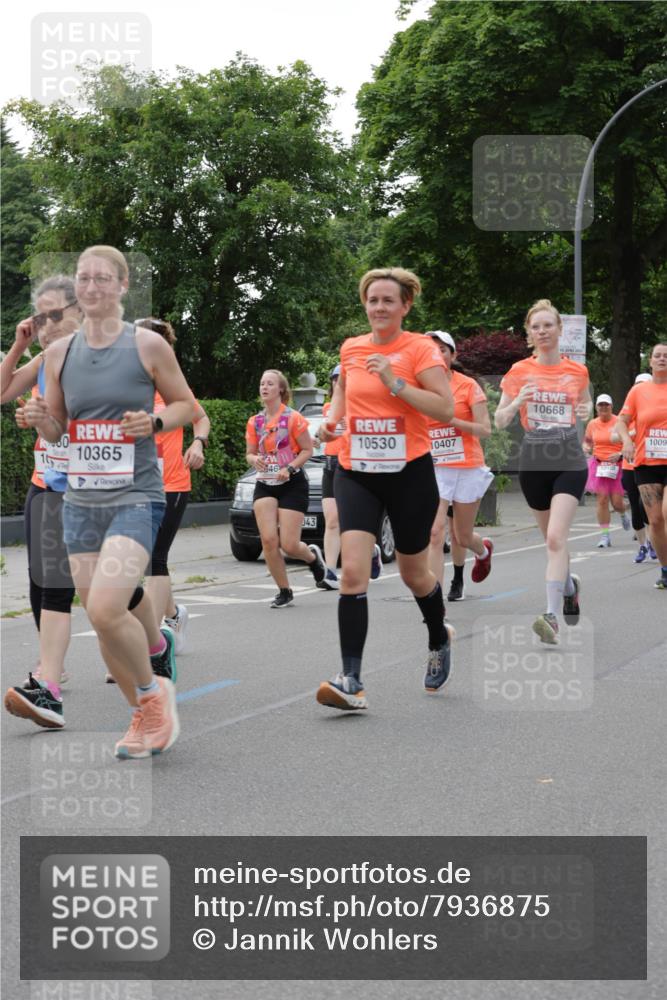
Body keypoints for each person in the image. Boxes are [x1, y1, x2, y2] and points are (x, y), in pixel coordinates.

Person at [5, 246, 195, 757]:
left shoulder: (148, 344)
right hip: (81, 499)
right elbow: (60, 427)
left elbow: (186, 406)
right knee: (100, 613)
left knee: (109, 606)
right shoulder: (61, 354)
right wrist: (39, 418)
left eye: (102, 279)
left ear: (123, 285)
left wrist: (153, 423)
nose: (91, 287)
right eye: (84, 279)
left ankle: (154, 699)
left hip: (135, 494)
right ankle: (144, 708)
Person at [316, 267, 454, 710]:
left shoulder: (420, 349)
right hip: (356, 471)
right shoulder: (352, 348)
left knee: (415, 574)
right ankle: (350, 680)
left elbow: (445, 408)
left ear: (405, 306)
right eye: (372, 300)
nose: (379, 307)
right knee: (353, 573)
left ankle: (438, 636)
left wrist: (396, 383)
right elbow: (343, 396)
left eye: (387, 301)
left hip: (409, 473)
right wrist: (332, 423)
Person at [0, 276, 81, 693]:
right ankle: (50, 669)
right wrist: (18, 345)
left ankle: (155, 639)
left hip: (86, 489)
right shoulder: (45, 358)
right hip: (46, 483)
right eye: (40, 316)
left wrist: (45, 418)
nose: (46, 324)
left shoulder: (94, 361)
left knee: (103, 589)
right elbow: (1, 392)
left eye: (55, 314)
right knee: (42, 579)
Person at [495, 299, 592, 645]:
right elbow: (500, 419)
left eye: (548, 325)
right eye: (536, 327)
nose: (542, 331)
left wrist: (586, 409)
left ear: (559, 329)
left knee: (555, 539)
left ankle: (551, 617)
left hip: (568, 457)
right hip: (534, 460)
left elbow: (585, 406)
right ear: (529, 334)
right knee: (550, 541)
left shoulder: (577, 371)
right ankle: (569, 587)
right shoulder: (519, 371)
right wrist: (518, 401)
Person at [138, 317, 211, 653]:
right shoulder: (126, 387)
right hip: (135, 487)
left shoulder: (172, 387)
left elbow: (201, 416)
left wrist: (197, 443)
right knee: (144, 561)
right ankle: (174, 614)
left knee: (156, 558)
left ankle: (148, 643)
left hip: (171, 483)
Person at [245, 369, 326, 607]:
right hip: (265, 483)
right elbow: (249, 453)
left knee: (289, 545)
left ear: (281, 389)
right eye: (262, 383)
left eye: (270, 383)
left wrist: (289, 468)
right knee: (269, 540)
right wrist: (254, 461)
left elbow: (307, 450)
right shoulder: (255, 421)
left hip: (292, 483)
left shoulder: (293, 418)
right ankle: (284, 590)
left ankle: (312, 559)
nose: (265, 387)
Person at [425, 331, 494, 601]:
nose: (436, 354)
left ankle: (483, 550)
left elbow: (485, 429)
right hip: (435, 467)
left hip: (466, 465)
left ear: (453, 355)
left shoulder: (468, 386)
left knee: (462, 536)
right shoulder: (420, 387)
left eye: (442, 349)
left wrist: (453, 420)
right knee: (434, 532)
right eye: (431, 350)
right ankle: (434, 600)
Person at [314, 364, 382, 590]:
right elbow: (322, 435)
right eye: (334, 379)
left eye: (341, 379)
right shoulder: (327, 408)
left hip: (353, 466)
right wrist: (318, 438)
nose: (337, 383)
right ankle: (331, 572)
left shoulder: (360, 407)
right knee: (332, 521)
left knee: (354, 522)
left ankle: (371, 551)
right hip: (331, 466)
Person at [615, 343, 667, 589]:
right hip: (646, 462)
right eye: (657, 355)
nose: (662, 359)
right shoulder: (638, 392)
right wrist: (626, 440)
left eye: (666, 356)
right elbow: (621, 422)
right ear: (650, 361)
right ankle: (665, 570)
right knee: (655, 521)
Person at [612, 374, 655, 562]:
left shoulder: (656, 409)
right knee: (637, 508)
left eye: (644, 385)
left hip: (652, 464)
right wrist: (630, 436)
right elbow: (614, 436)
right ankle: (643, 546)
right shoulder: (631, 411)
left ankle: (654, 541)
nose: (641, 389)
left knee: (649, 508)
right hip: (631, 466)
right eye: (638, 385)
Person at [582, 393, 630, 548]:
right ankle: (605, 536)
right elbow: (588, 441)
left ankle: (623, 514)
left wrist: (620, 454)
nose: (603, 408)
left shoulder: (619, 422)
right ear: (596, 408)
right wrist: (586, 447)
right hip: (599, 465)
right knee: (602, 500)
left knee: (616, 503)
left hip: (617, 466)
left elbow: (630, 441)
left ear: (611, 406)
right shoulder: (592, 424)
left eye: (606, 405)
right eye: (600, 405)